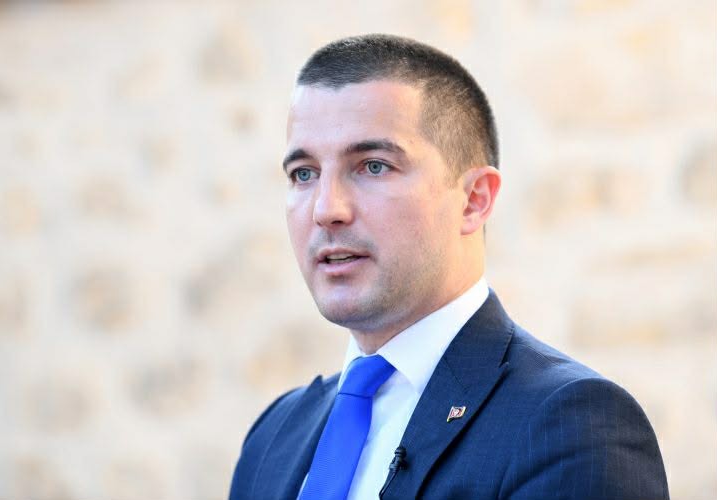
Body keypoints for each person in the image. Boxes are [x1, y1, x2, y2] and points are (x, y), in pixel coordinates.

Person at [229, 34, 669, 500]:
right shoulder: (273, 439)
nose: (326, 209)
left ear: (474, 200)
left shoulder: (571, 427)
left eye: (373, 166)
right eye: (304, 173)